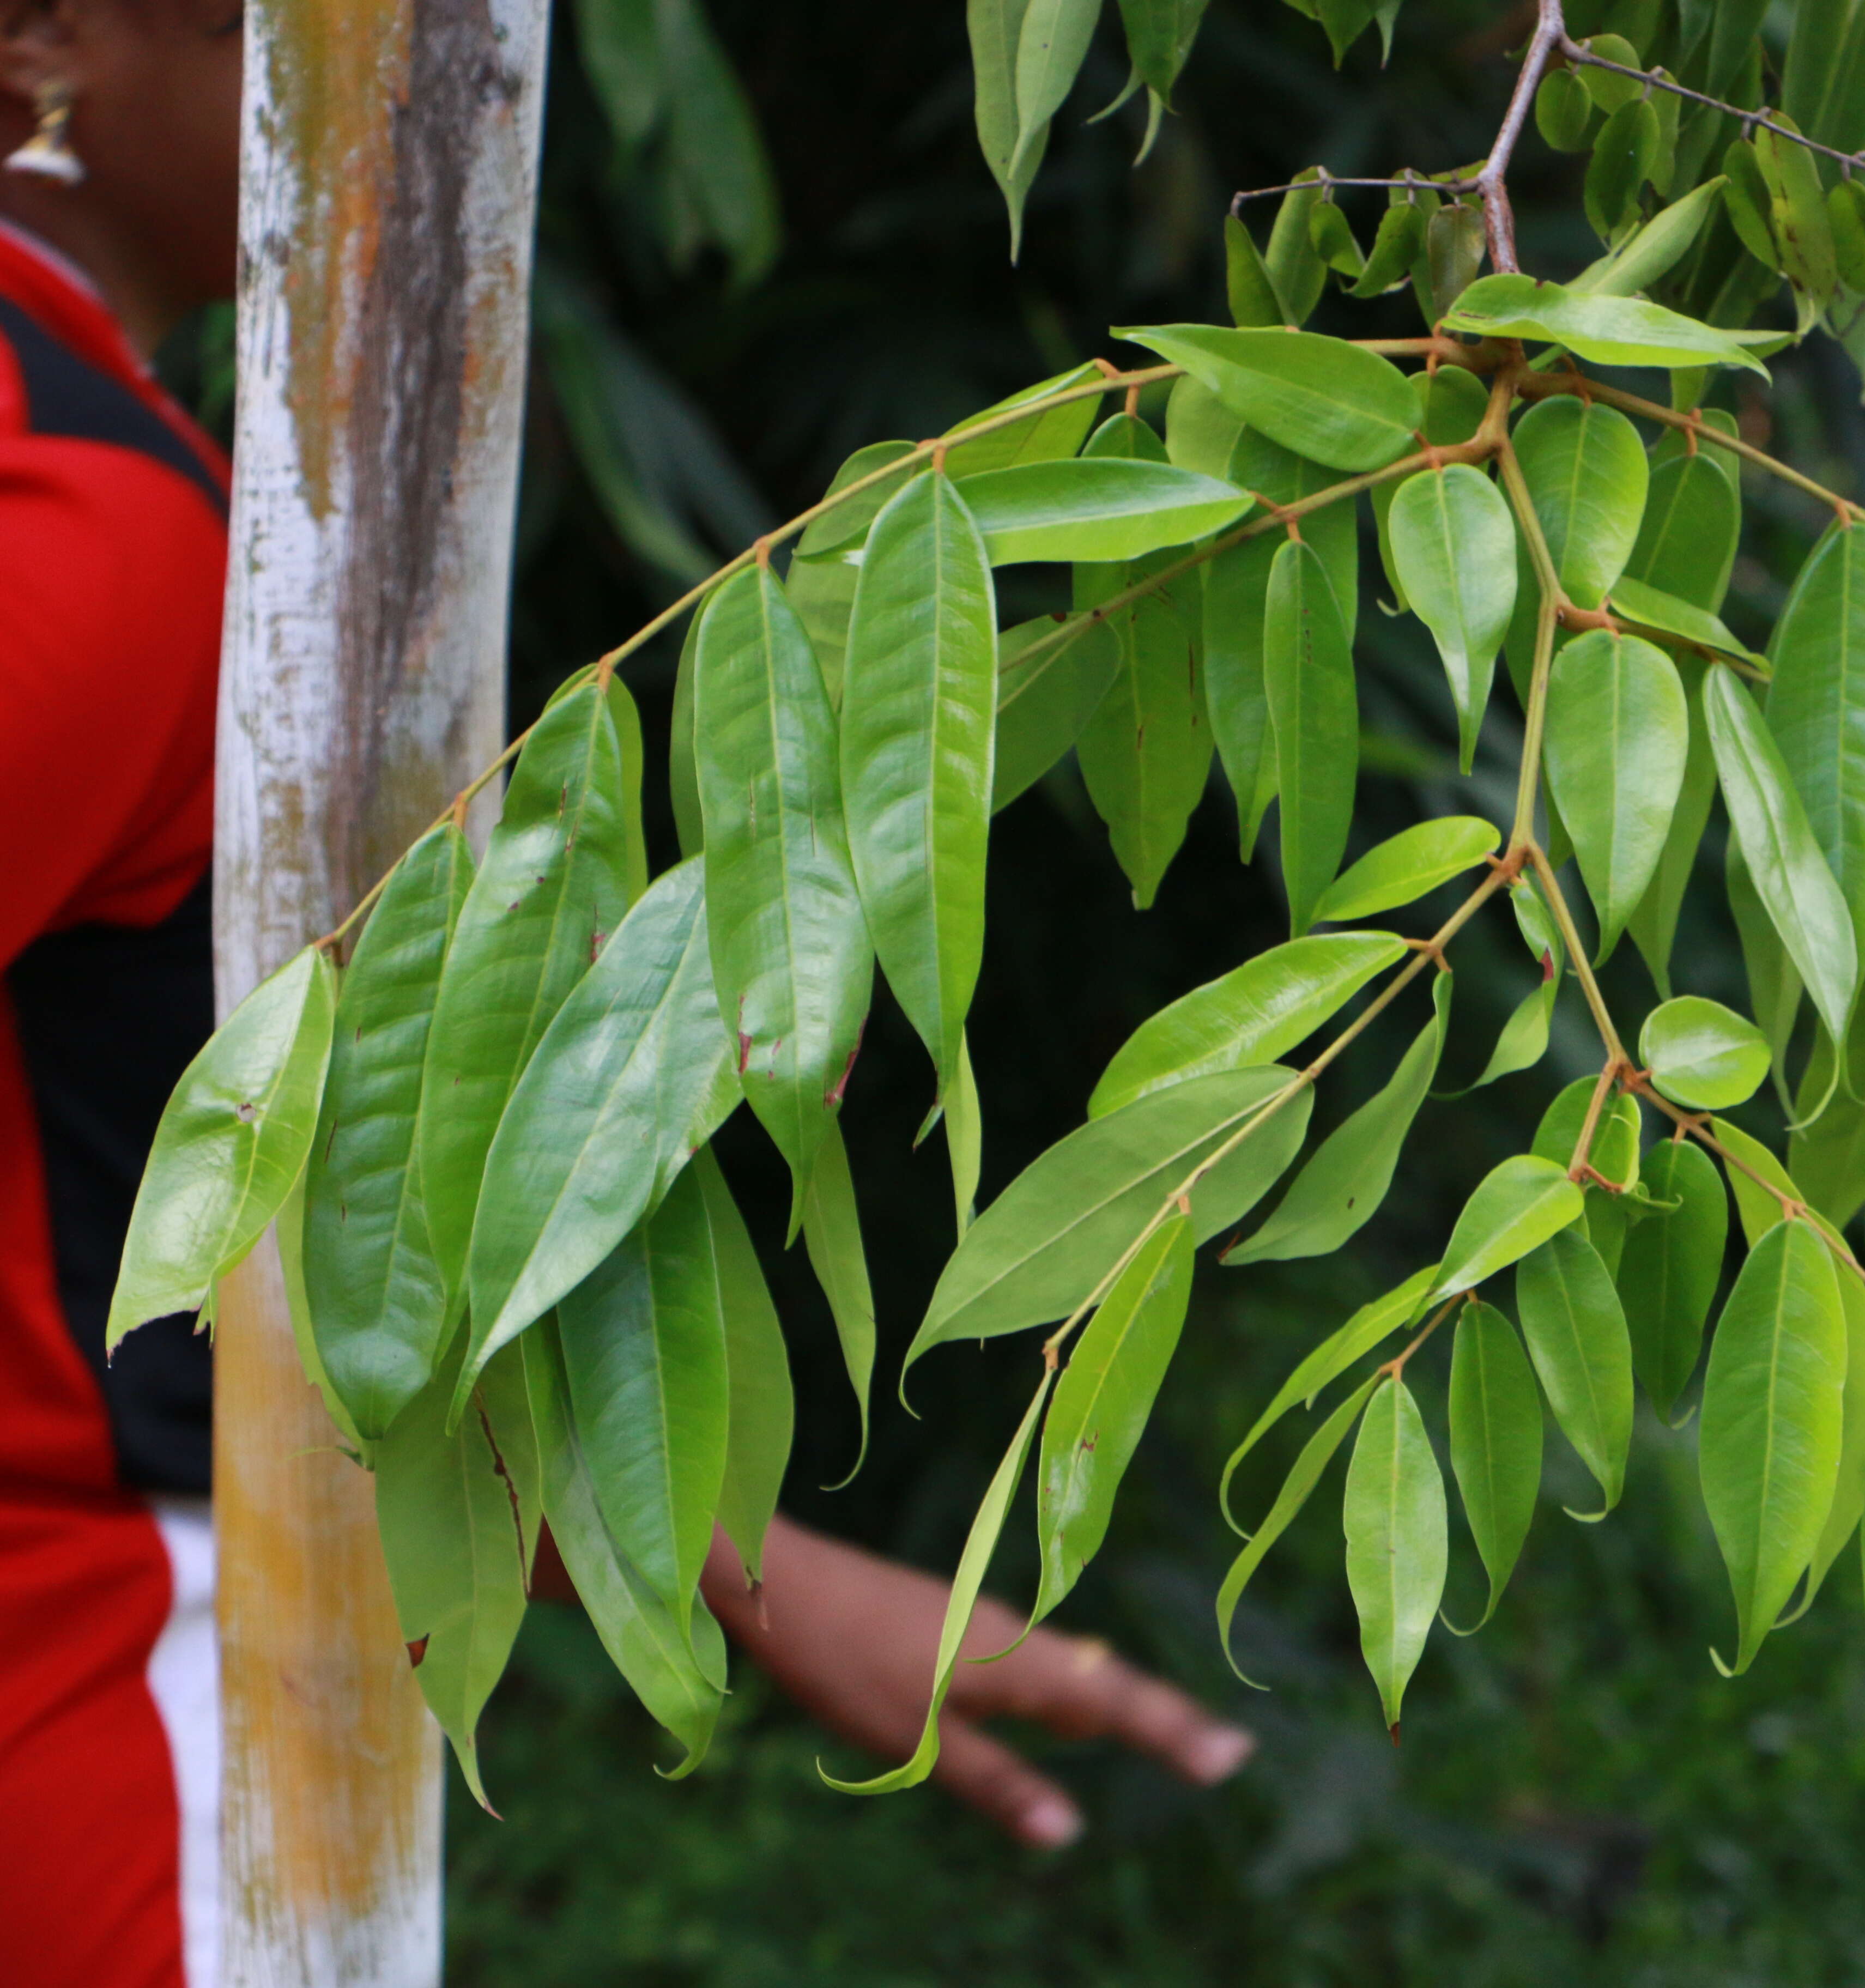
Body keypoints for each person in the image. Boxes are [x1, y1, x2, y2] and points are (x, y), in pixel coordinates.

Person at [0, 5, 1251, 1983]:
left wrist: (725, 1556)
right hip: (100, 1754)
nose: (411, 89)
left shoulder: (104, 454)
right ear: (50, 34)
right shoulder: (88, 526)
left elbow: (245, 1260)